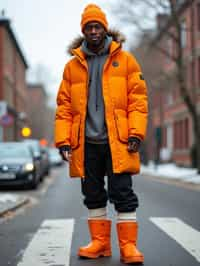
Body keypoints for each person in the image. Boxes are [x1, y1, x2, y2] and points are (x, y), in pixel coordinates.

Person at [55, 3, 148, 264]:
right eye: (89, 27)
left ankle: (129, 247)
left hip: (118, 141)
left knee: (122, 192)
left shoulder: (125, 60)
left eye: (97, 27)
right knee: (93, 193)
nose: (93, 31)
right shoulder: (72, 67)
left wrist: (135, 133)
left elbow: (138, 101)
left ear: (104, 29)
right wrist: (63, 141)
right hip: (86, 143)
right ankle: (100, 244)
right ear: (84, 31)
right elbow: (63, 107)